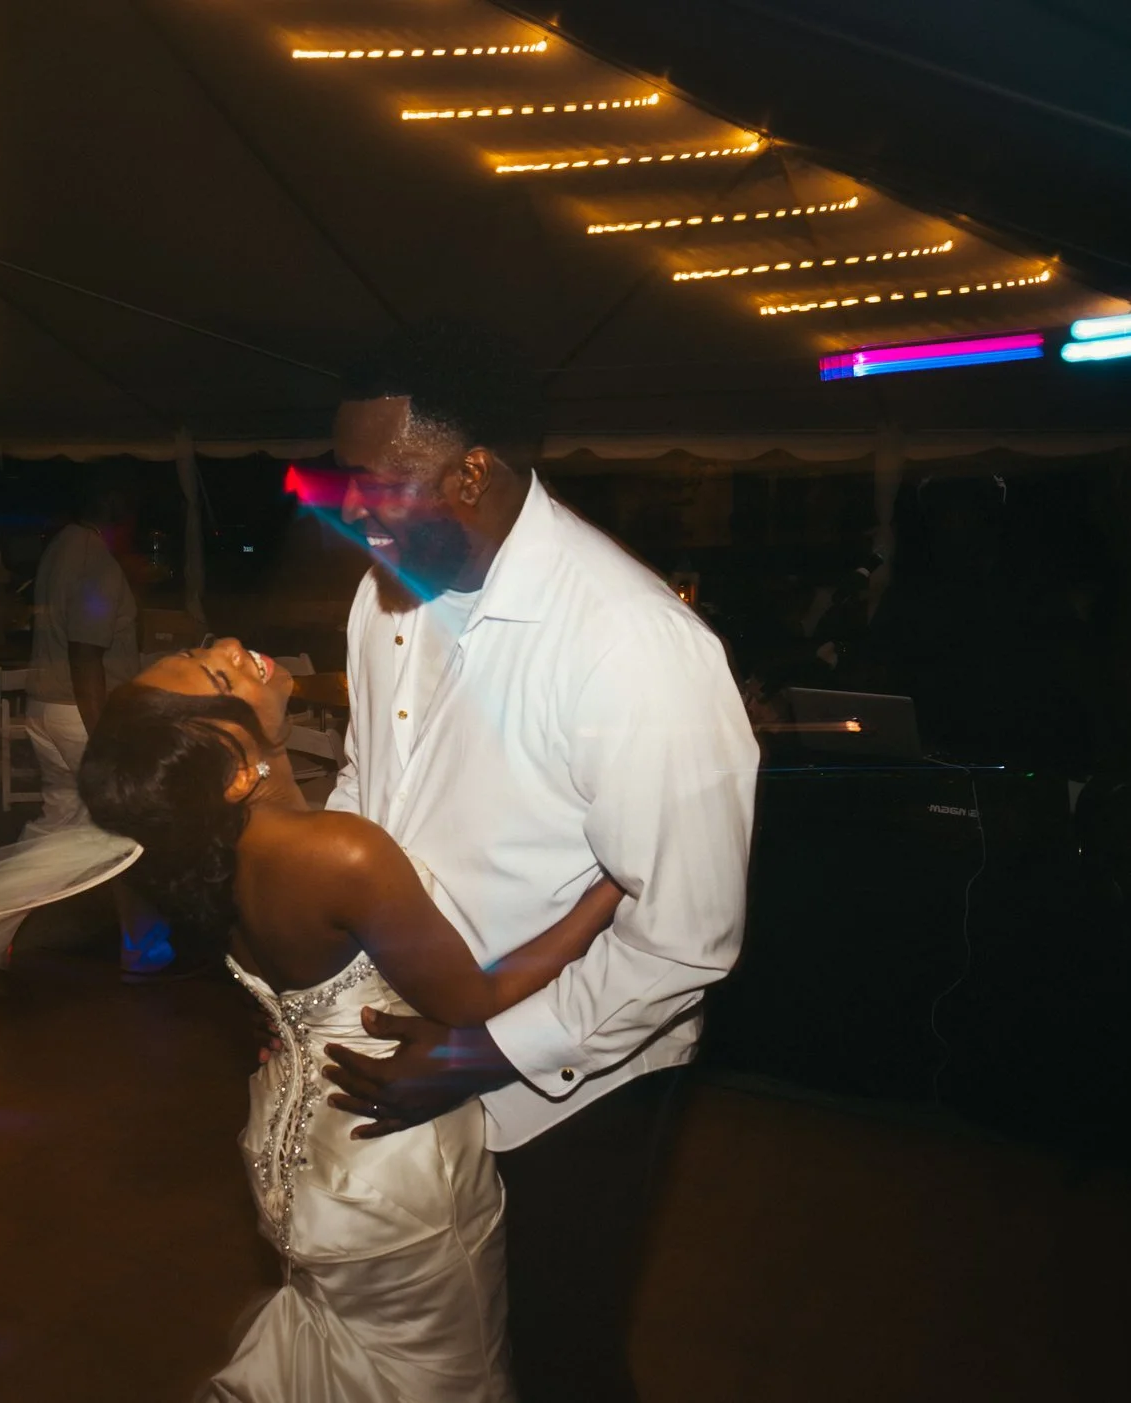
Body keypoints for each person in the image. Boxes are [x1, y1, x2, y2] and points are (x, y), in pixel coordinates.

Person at [314, 328, 758, 1402]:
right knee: (449, 1337)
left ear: (473, 472)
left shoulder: (632, 644)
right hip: (418, 1034)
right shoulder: (382, 601)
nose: (353, 513)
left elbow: (686, 938)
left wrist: (482, 1050)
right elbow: (366, 786)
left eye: (380, 485)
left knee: (559, 1349)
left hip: (574, 1081)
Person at [79, 642, 626, 1402]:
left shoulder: (213, 857)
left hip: (290, 1151)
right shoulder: (339, 852)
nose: (232, 649)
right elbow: (469, 1002)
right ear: (238, 772)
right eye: (218, 676)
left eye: (203, 650)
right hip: (386, 1167)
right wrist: (607, 894)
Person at [25, 472, 168, 977]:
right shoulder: (97, 564)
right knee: (130, 830)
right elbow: (86, 655)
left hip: (43, 706)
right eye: (129, 518)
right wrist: (104, 733)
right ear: (116, 514)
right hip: (79, 713)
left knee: (56, 824)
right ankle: (143, 950)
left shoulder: (61, 545)